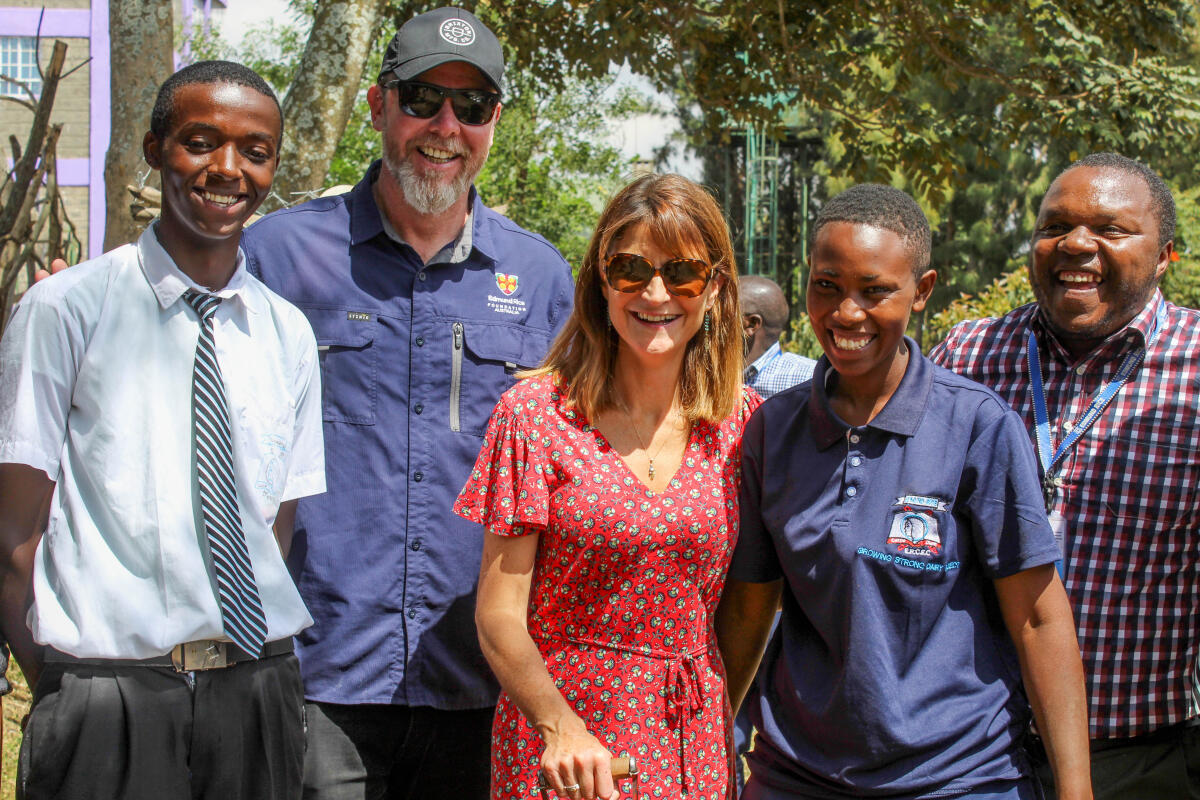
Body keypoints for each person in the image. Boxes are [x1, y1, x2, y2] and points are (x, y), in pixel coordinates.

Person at [238, 7, 574, 798]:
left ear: (495, 121)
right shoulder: (276, 257)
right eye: (423, 97)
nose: (446, 125)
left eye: (473, 105)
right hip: (316, 674)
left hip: (482, 682)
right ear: (377, 105)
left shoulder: (542, 278)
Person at [0, 60, 324, 799]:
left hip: (255, 694)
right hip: (108, 697)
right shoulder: (67, 312)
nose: (227, 169)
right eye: (200, 141)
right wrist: (64, 688)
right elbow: (12, 538)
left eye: (255, 150)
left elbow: (275, 523)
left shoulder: (287, 334)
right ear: (154, 150)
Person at [717, 184, 1092, 800]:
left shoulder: (976, 425)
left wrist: (1076, 790)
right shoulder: (773, 429)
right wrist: (710, 745)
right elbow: (751, 607)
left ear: (921, 292)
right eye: (827, 286)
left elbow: (1039, 618)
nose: (846, 313)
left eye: (876, 290)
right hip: (799, 775)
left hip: (959, 776)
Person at [455, 173, 759, 800]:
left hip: (690, 736)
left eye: (682, 273)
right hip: (563, 746)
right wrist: (559, 726)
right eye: (630, 268)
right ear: (600, 279)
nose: (655, 292)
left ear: (716, 289)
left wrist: (716, 711)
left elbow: (750, 605)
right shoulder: (535, 415)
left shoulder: (743, 426)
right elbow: (498, 615)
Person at [930, 153, 1199, 798]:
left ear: (1166, 255)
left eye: (1109, 229)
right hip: (975, 754)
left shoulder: (1193, 373)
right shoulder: (969, 357)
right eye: (1056, 226)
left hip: (1141, 759)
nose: (1076, 244)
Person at [741, 275, 815, 398]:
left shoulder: (809, 380)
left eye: (724, 310)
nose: (710, 316)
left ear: (751, 324)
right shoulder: (708, 374)